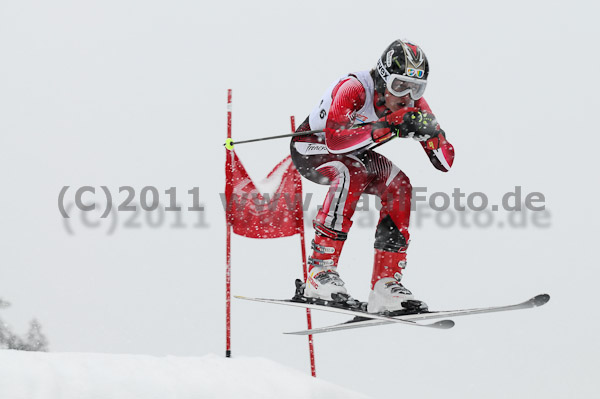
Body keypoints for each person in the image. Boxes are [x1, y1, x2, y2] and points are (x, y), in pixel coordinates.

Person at [290, 39, 455, 313]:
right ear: (382, 78)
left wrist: (432, 137)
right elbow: (335, 142)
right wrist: (391, 125)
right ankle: (319, 272)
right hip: (312, 148)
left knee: (399, 185)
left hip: (355, 152)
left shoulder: (414, 102)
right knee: (351, 171)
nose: (407, 96)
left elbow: (445, 162)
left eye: (416, 88)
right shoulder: (354, 88)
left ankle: (385, 286)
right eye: (399, 86)